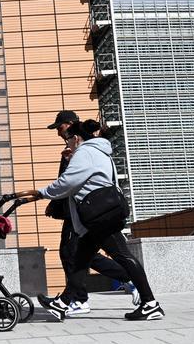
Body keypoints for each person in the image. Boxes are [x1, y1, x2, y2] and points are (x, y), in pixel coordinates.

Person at [16, 117, 163, 322]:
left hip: (100, 216)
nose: (66, 143)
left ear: (76, 138)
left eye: (68, 140)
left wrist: (41, 193)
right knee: (80, 259)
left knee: (122, 256)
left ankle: (150, 303)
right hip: (103, 214)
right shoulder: (99, 151)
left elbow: (68, 182)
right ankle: (63, 304)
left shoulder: (85, 152)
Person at [44, 113, 137, 316]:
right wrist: (55, 205)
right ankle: (128, 280)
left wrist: (44, 195)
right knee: (83, 254)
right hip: (79, 211)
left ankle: (78, 299)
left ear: (69, 126)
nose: (59, 133)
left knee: (74, 254)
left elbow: (71, 182)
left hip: (85, 212)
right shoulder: (75, 149)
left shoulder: (83, 148)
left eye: (60, 128)